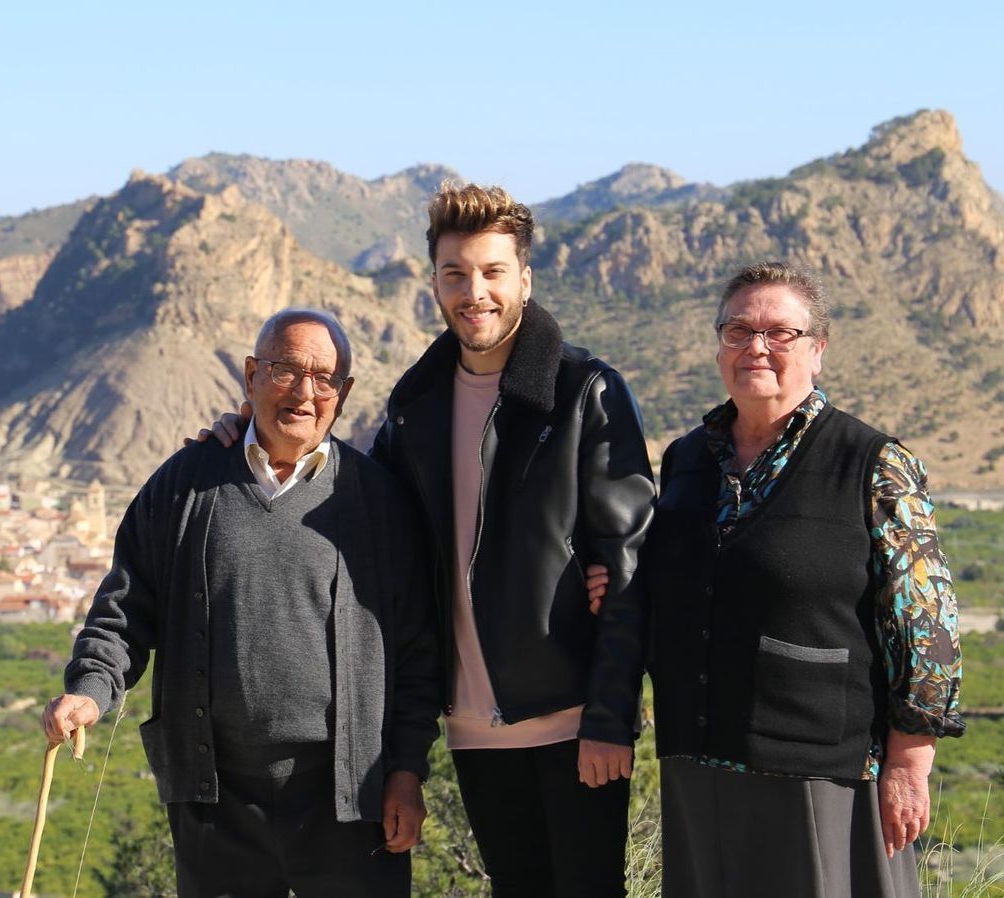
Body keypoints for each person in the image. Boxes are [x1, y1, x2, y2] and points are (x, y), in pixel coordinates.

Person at [202, 183, 655, 896]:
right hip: (473, 729)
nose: (474, 292)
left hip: (572, 722)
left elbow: (630, 569)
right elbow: (361, 510)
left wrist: (610, 717)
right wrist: (246, 433)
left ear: (524, 280)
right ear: (435, 284)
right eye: (455, 275)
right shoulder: (416, 405)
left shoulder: (584, 392)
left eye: (493, 272)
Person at [590, 261, 964, 898]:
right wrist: (615, 586)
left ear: (817, 350)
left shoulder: (875, 464)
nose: (756, 347)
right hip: (698, 761)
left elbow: (928, 629)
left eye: (779, 333)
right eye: (738, 330)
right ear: (718, 347)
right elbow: (675, 580)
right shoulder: (685, 460)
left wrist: (910, 761)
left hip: (824, 772)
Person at [43, 309, 440, 898]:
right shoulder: (182, 485)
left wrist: (406, 770)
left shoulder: (379, 499)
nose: (306, 392)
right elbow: (125, 612)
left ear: (345, 393)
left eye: (325, 378)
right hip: (216, 805)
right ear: (252, 375)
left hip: (351, 802)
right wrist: (90, 688)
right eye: (286, 371)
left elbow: (416, 652)